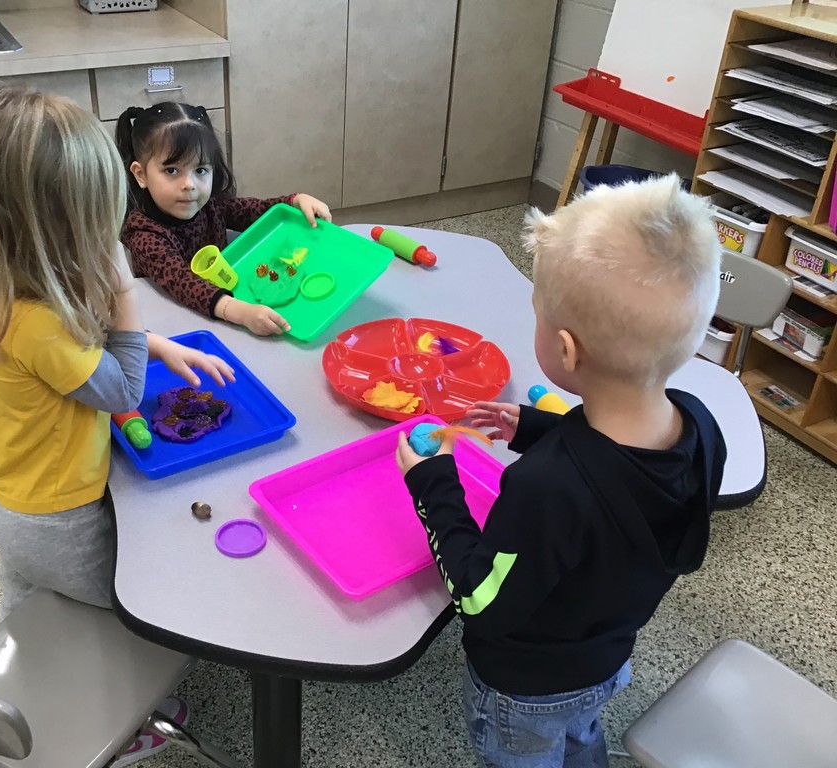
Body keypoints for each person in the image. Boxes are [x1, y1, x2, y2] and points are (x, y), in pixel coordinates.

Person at [0, 85, 234, 767]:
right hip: (59, 519)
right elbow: (119, 389)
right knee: (151, 612)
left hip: (7, 495)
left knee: (30, 595)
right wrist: (127, 295)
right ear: (54, 221)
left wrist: (157, 343)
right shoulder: (36, 321)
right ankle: (124, 721)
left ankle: (19, 667)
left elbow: (85, 340)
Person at [395, 175, 727, 768]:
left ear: (567, 352)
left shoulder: (546, 489)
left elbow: (478, 599)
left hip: (525, 690)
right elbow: (620, 469)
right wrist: (531, 428)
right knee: (580, 734)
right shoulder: (699, 428)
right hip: (607, 656)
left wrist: (432, 481)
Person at [116, 101, 332, 336]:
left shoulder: (212, 204)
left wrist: (295, 200)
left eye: (200, 170)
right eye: (172, 171)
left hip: (227, 316)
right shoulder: (143, 234)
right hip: (180, 330)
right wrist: (241, 312)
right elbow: (183, 283)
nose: (189, 185)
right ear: (141, 175)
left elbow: (255, 211)